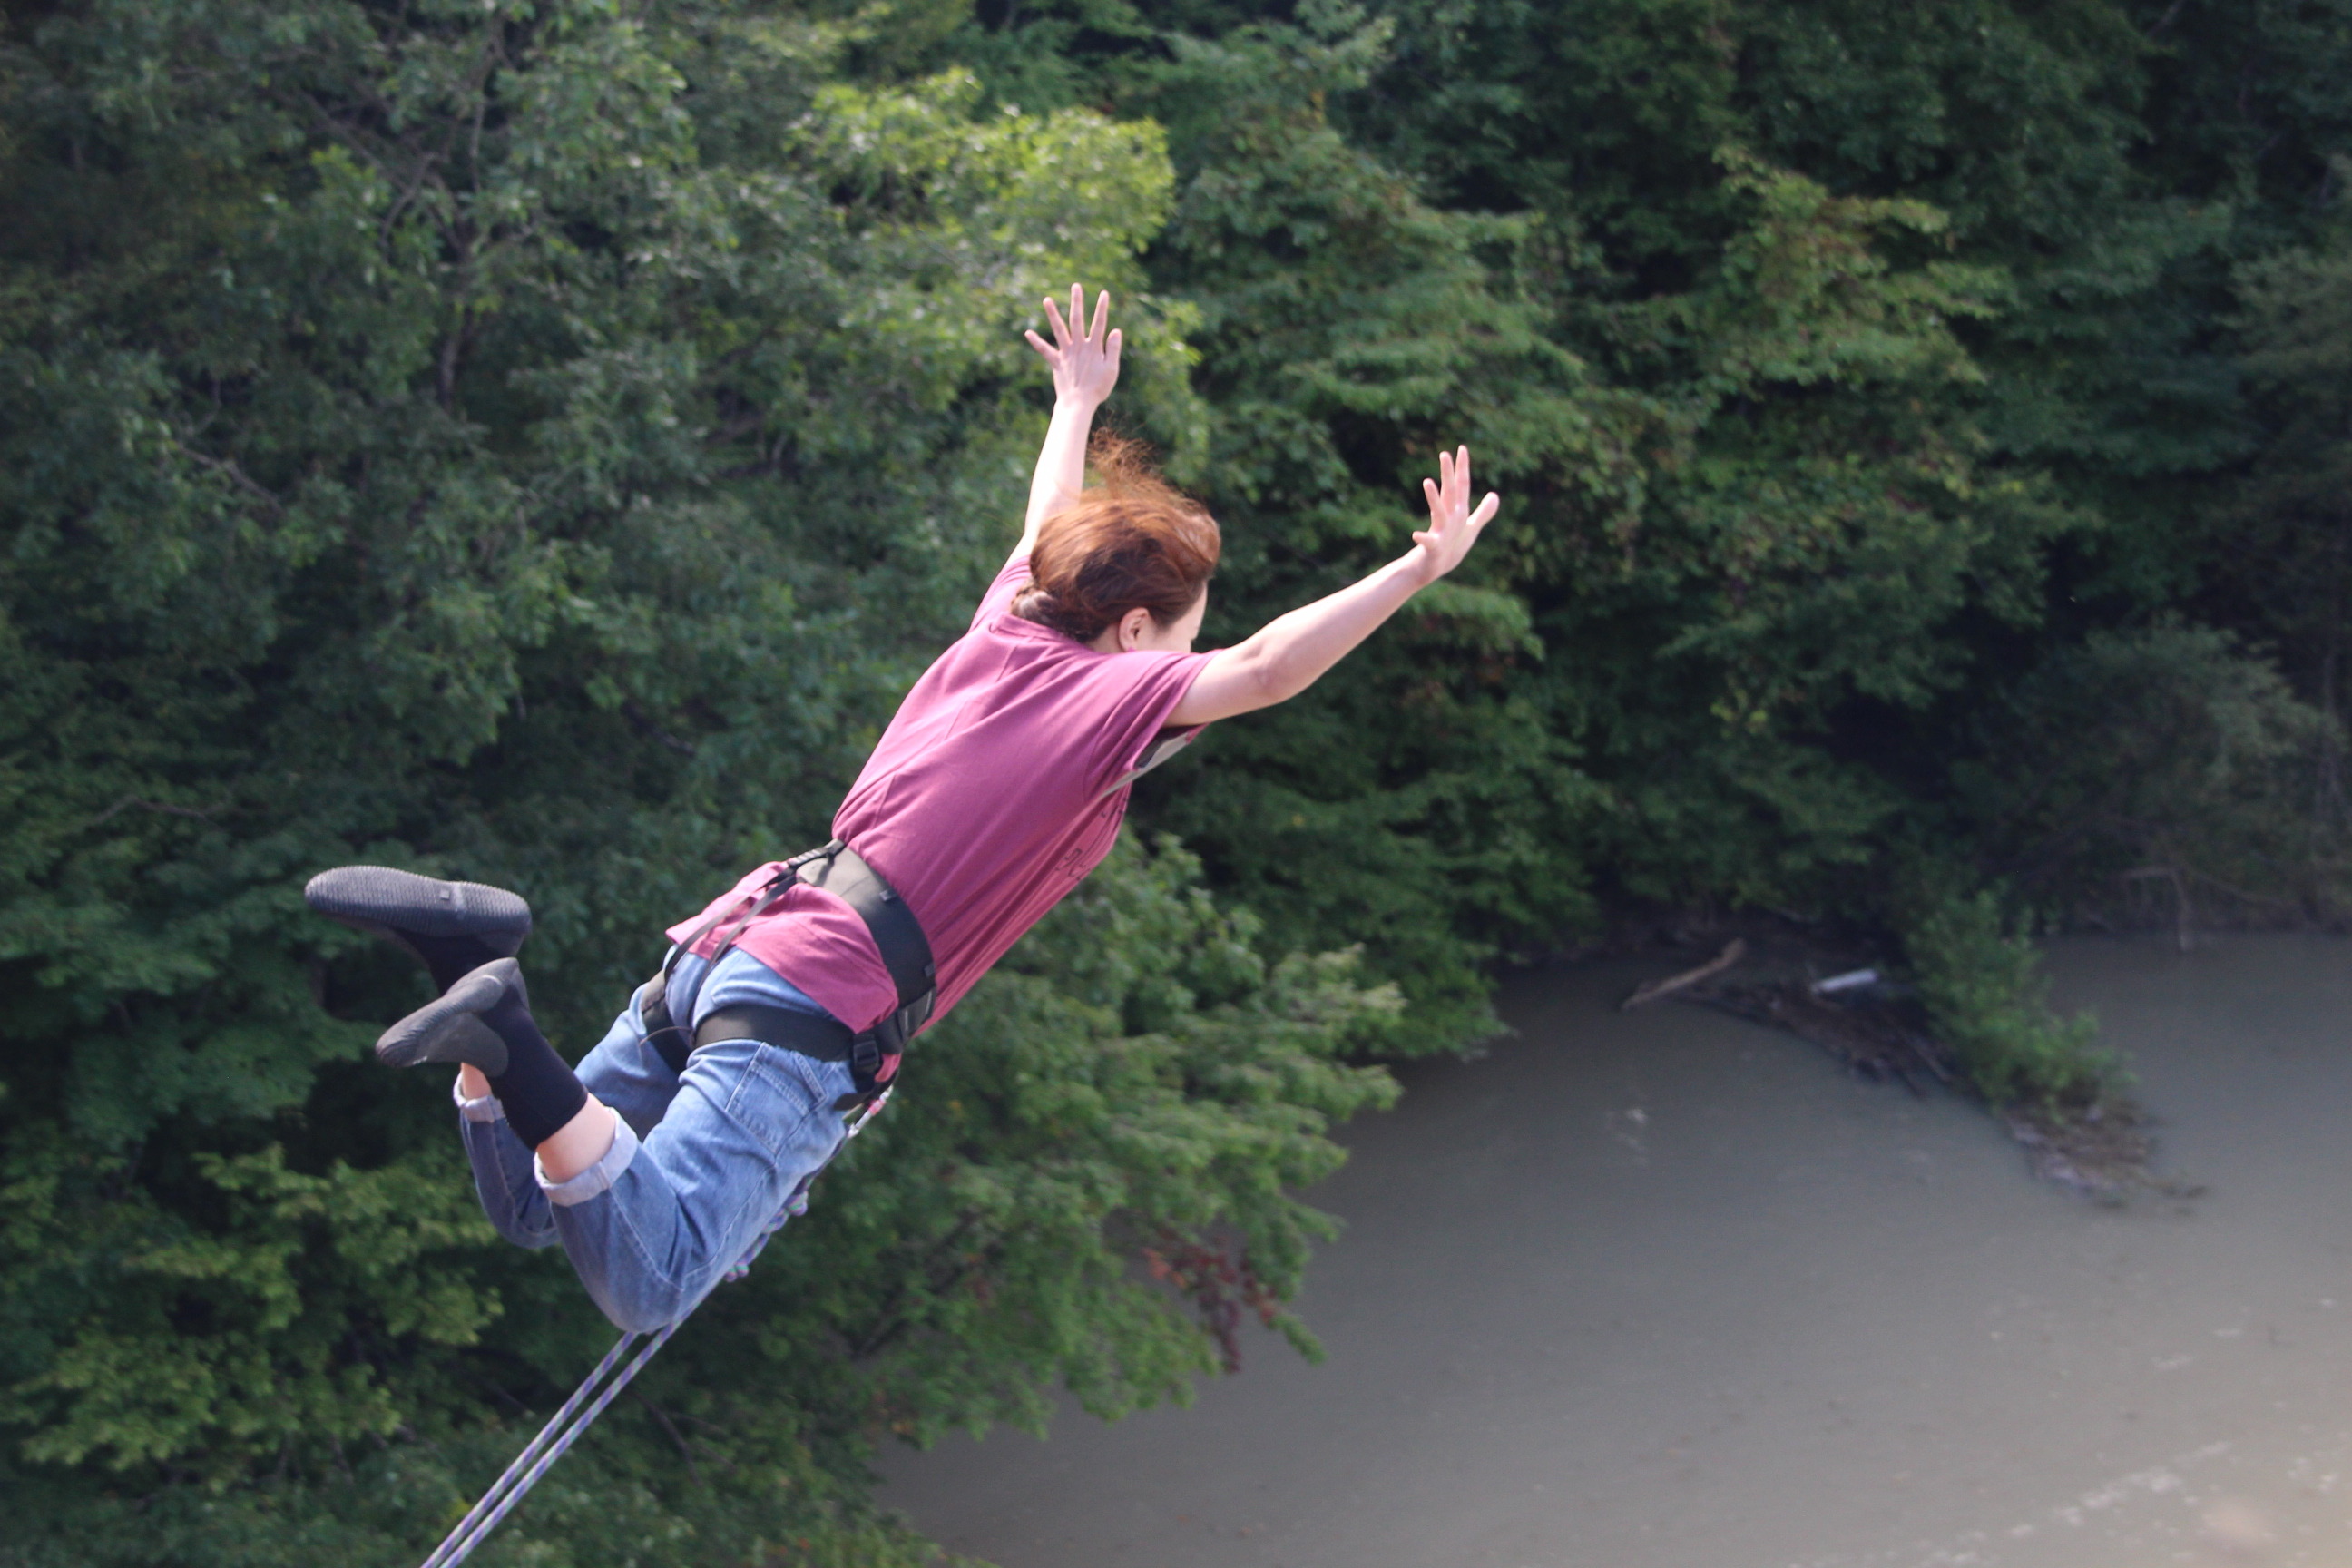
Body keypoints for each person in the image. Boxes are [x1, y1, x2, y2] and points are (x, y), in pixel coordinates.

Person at [307, 286, 1502, 1333]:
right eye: (1183, 632)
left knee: (532, 1202)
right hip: (810, 1005)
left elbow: (1046, 528)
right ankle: (501, 1023)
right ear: (1136, 633)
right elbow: (1271, 667)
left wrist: (1076, 404)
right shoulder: (1110, 696)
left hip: (731, 951)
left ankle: (472, 971)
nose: (1191, 655)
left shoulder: (1006, 627)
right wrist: (1412, 572)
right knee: (656, 1278)